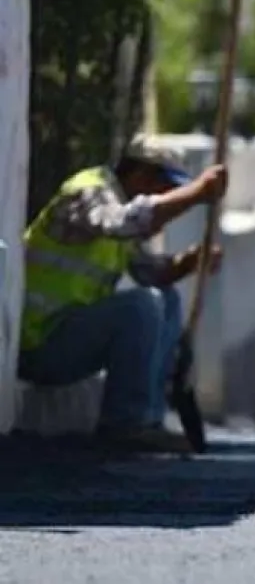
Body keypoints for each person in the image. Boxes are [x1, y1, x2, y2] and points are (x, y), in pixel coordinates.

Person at [18, 135, 227, 452]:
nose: (169, 198)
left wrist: (189, 262)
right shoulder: (88, 191)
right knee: (141, 306)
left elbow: (150, 273)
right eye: (166, 188)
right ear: (140, 176)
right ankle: (125, 424)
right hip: (36, 343)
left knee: (164, 297)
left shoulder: (122, 204)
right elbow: (119, 223)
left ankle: (149, 420)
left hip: (67, 338)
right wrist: (196, 193)